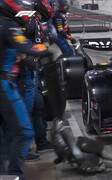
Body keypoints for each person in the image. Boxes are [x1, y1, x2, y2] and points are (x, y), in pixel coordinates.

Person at [0, 0, 49, 178]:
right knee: (24, 131)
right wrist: (45, 50)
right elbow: (28, 47)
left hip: (9, 82)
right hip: (5, 84)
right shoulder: (9, 26)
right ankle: (13, 174)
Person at [22, 0, 54, 157]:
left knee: (38, 105)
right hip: (24, 72)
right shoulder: (26, 20)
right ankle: (22, 149)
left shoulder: (36, 22)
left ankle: (41, 142)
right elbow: (22, 46)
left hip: (33, 71)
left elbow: (38, 44)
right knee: (25, 110)